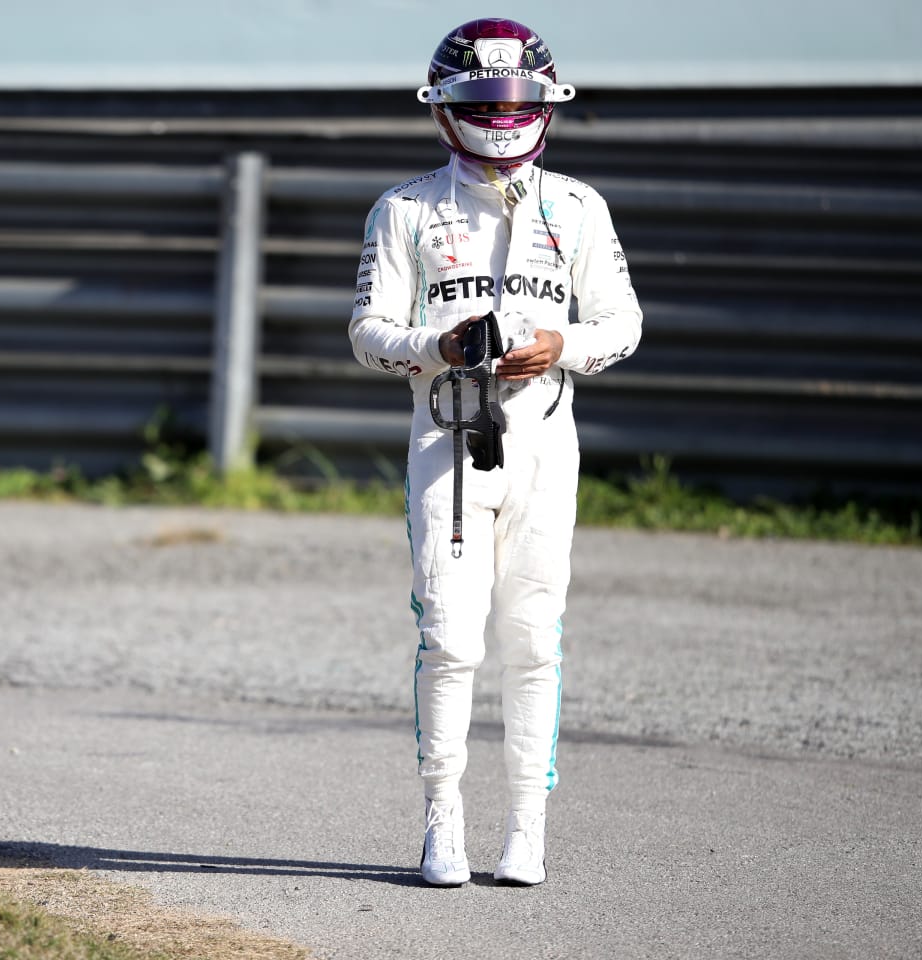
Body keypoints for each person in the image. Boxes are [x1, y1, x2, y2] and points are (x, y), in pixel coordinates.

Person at [347, 17, 642, 887]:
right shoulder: (403, 210)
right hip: (445, 434)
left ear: (547, 105)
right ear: (443, 108)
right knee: (449, 639)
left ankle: (527, 830)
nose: (502, 118)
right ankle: (443, 823)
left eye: (517, 101)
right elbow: (366, 332)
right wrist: (441, 345)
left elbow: (623, 323)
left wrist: (563, 346)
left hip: (547, 442)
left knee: (535, 638)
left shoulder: (581, 206)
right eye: (484, 101)